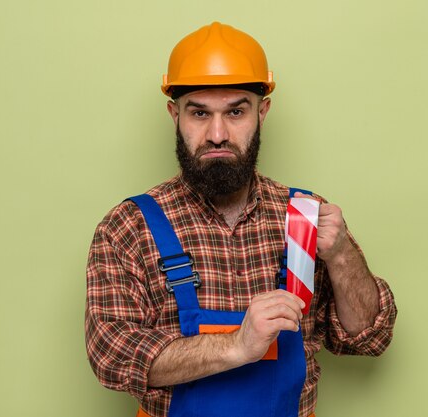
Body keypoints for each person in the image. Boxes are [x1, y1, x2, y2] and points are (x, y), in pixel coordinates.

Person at [85, 22, 397, 417]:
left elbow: (370, 337)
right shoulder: (128, 228)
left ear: (262, 112)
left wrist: (343, 256)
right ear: (174, 115)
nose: (217, 134)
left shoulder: (305, 216)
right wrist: (236, 345)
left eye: (236, 111)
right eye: (199, 113)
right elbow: (111, 354)